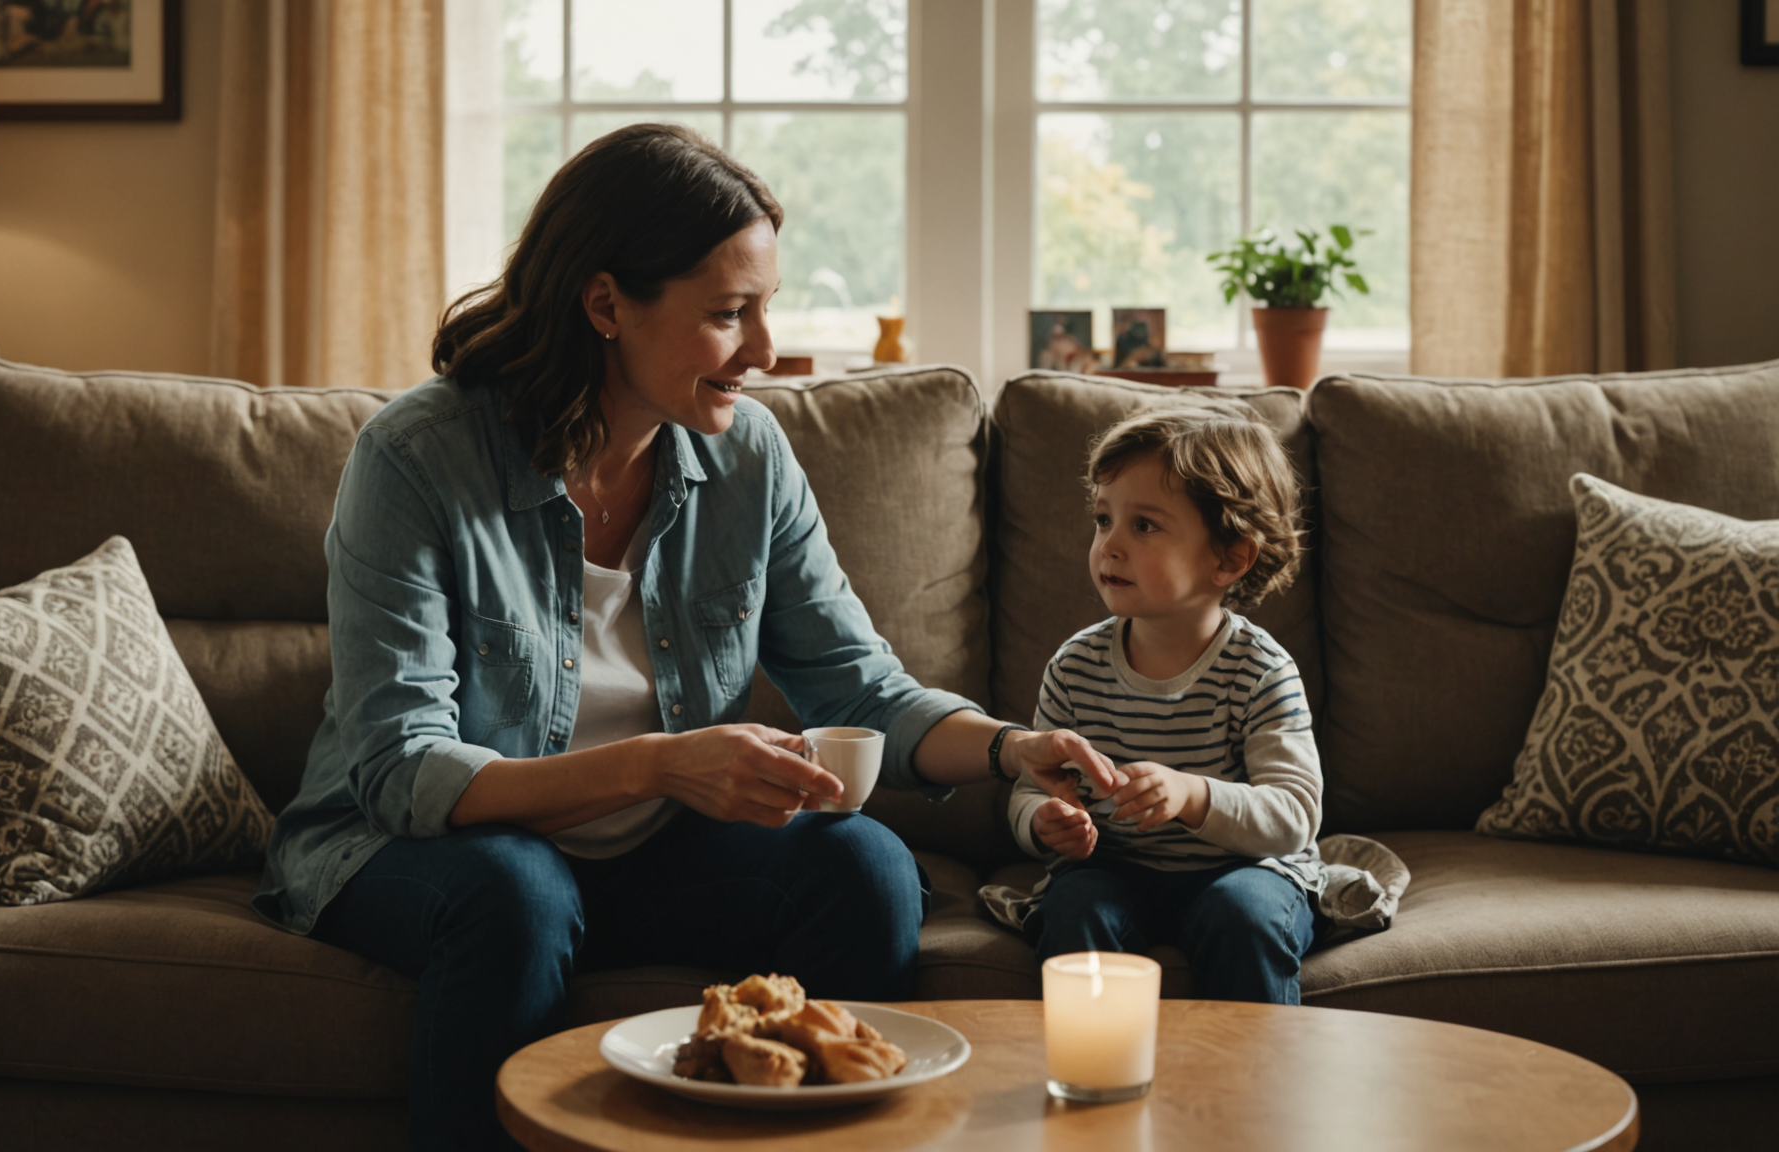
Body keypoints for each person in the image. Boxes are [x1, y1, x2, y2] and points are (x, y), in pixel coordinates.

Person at [251, 123, 1120, 1150]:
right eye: (728, 314)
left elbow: (855, 684)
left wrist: (1012, 748)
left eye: (768, 308)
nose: (763, 349)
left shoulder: (748, 455)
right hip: (415, 851)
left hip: (648, 859)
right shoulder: (417, 461)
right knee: (518, 893)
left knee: (867, 866)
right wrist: (663, 767)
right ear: (608, 302)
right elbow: (403, 770)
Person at [1010, 407, 1324, 1005]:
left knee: (1246, 914)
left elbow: (1293, 815)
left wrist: (1191, 795)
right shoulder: (1075, 666)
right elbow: (1031, 785)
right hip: (1114, 869)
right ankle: (1090, 1078)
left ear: (1230, 557)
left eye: (1144, 526)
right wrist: (1041, 822)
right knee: (1074, 906)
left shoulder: (1261, 671)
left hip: (1244, 869)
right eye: (1103, 520)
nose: (1110, 546)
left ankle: (1253, 1084)